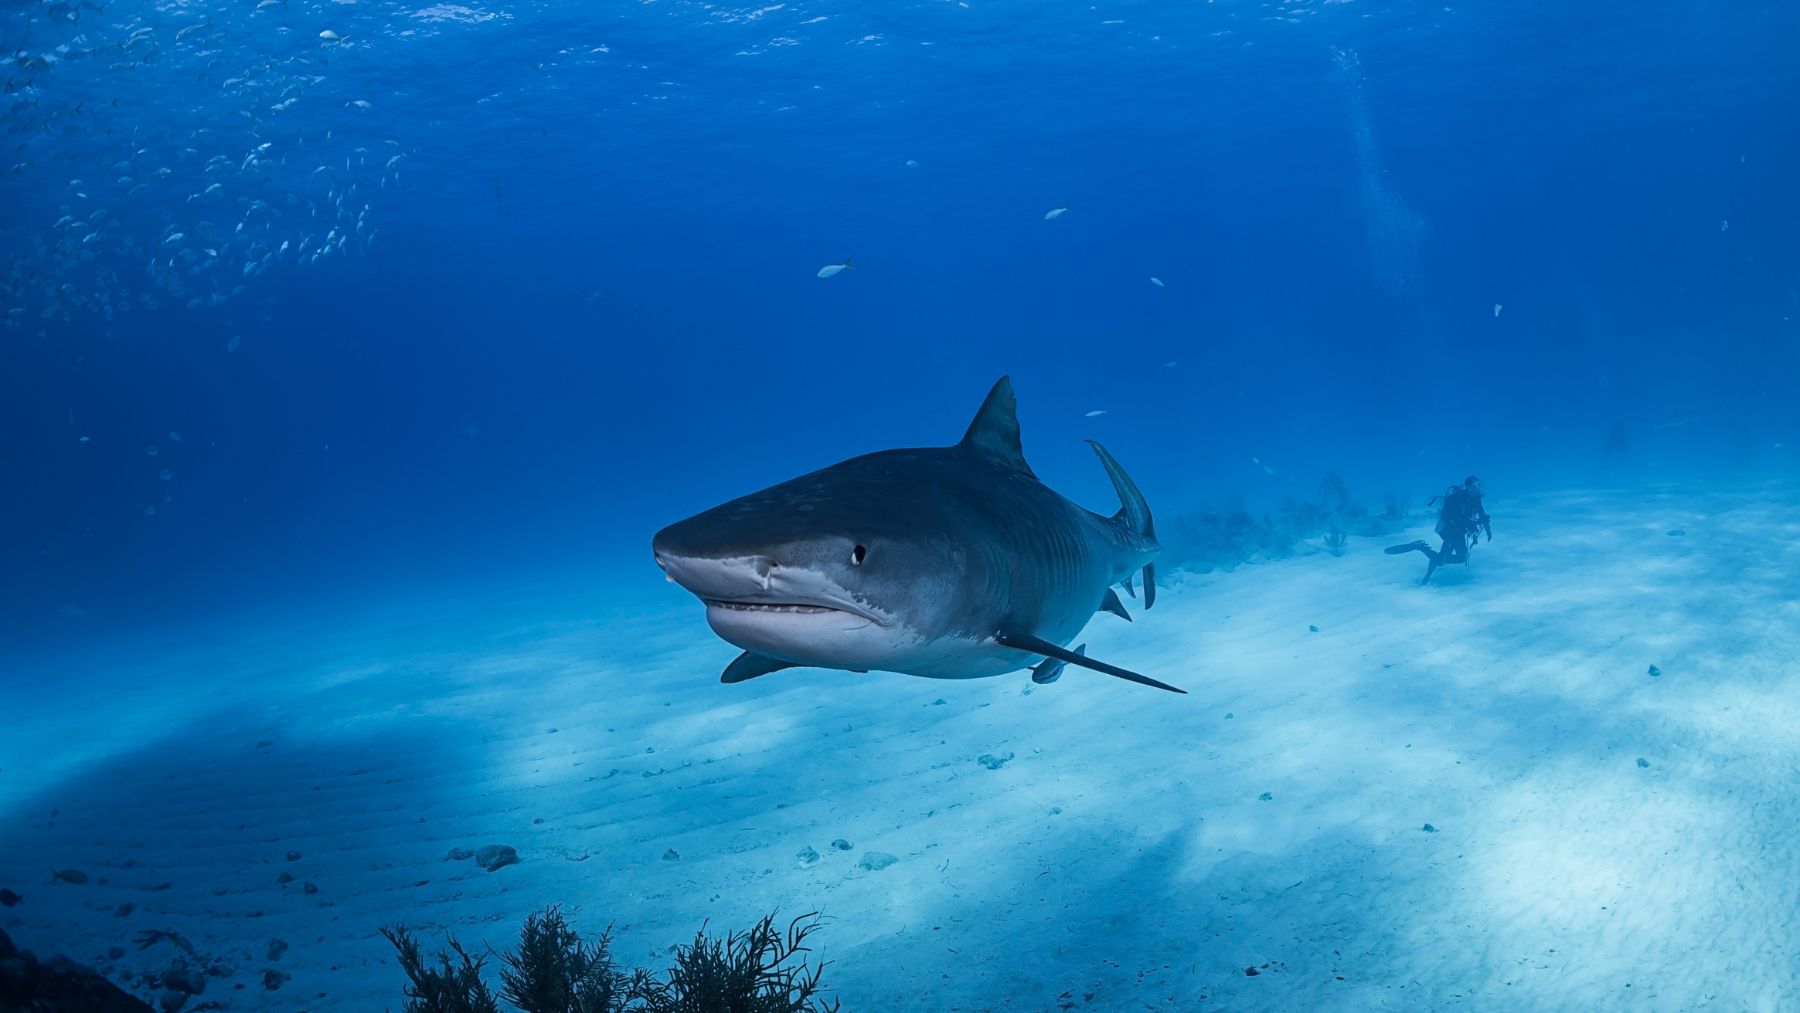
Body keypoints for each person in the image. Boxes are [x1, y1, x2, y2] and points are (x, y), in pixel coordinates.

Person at [1385, 476, 1492, 584]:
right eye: (1475, 485)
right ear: (1469, 488)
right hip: (1448, 531)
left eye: (1479, 484)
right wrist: (1473, 523)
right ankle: (1419, 546)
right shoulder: (1456, 498)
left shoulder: (1476, 497)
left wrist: (1488, 529)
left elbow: (1481, 512)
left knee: (1459, 558)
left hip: (1459, 532)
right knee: (1441, 560)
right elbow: (1456, 519)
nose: (1479, 487)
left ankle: (1429, 570)